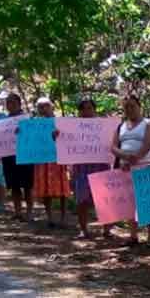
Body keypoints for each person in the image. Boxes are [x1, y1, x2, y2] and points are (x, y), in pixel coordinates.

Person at [110, 95, 150, 246]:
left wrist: (136, 157)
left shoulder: (148, 123)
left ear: (139, 106)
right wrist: (125, 156)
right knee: (129, 202)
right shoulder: (121, 126)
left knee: (147, 200)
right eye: (126, 107)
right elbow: (113, 147)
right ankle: (133, 235)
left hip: (145, 166)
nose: (129, 109)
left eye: (132, 106)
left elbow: (149, 142)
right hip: (126, 169)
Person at [67, 98, 112, 239]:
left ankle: (106, 229)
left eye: (89, 108)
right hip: (81, 167)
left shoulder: (104, 126)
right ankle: (83, 229)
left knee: (103, 199)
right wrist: (57, 136)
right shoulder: (72, 126)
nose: (87, 111)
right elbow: (63, 143)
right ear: (79, 111)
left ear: (94, 109)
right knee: (82, 200)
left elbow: (114, 140)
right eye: (83, 109)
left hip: (101, 166)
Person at [33, 97, 71, 229]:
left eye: (46, 106)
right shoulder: (34, 124)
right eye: (40, 106)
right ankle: (49, 217)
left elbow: (69, 137)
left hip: (58, 160)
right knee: (45, 189)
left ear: (52, 107)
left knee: (62, 188)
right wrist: (21, 133)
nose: (43, 109)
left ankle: (63, 217)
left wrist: (59, 134)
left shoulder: (61, 122)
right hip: (42, 160)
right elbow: (29, 140)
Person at [2, 93, 35, 222]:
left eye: (13, 102)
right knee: (14, 186)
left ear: (19, 104)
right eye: (8, 103)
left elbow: (34, 136)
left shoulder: (28, 119)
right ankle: (17, 212)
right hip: (9, 157)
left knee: (27, 186)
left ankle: (29, 212)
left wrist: (24, 131)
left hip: (26, 157)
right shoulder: (4, 122)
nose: (10, 105)